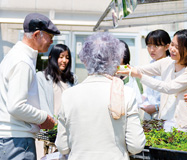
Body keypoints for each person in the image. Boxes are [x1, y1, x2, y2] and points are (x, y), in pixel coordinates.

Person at [55, 32, 146, 159]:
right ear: (115, 61)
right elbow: (136, 145)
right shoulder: (126, 93)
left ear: (85, 61)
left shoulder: (68, 95)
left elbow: (62, 146)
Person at [0, 12, 59, 160]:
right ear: (37, 34)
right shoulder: (23, 62)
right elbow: (16, 106)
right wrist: (43, 118)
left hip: (10, 139)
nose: (52, 42)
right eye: (50, 37)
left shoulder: (14, 56)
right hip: (17, 141)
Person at [117, 29, 187, 130]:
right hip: (165, 121)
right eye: (172, 45)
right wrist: (113, 68)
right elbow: (139, 69)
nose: (172, 49)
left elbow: (170, 88)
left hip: (185, 124)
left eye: (177, 47)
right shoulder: (167, 62)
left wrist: (140, 76)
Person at [37, 44, 78, 118]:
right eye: (61, 57)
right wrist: (51, 123)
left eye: (67, 57)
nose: (64, 60)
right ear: (52, 58)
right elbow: (42, 103)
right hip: (49, 125)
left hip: (67, 125)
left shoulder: (73, 78)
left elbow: (75, 103)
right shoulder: (41, 77)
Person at [140, 29, 171, 120]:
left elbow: (173, 95)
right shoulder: (151, 64)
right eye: (149, 46)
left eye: (156, 46)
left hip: (166, 114)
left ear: (167, 47)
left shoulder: (171, 66)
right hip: (150, 114)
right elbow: (149, 92)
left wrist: (156, 107)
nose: (151, 50)